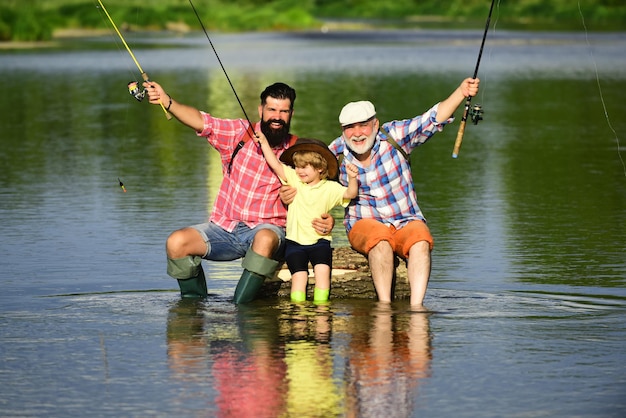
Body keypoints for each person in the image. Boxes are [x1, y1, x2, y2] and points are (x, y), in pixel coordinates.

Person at [142, 81, 335, 302]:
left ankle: (239, 308)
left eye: (283, 111)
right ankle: (194, 307)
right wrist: (167, 101)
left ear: (291, 113)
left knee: (264, 237)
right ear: (261, 110)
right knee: (176, 242)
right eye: (272, 110)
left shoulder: (298, 152)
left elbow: (322, 194)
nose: (277, 117)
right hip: (224, 228)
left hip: (268, 231)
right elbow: (201, 121)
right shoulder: (239, 133)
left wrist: (327, 220)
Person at [327, 77, 480, 308]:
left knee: (421, 240)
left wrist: (461, 91)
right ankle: (384, 307)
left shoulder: (393, 136)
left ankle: (417, 307)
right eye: (350, 128)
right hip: (363, 222)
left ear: (375, 124)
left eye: (363, 125)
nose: (357, 133)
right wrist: (323, 216)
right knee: (380, 240)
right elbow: (313, 187)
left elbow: (432, 119)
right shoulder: (334, 154)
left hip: (405, 219)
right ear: (342, 130)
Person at [253, 131, 358, 302]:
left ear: (320, 168)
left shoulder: (330, 188)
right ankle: (299, 317)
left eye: (304, 166)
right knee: (298, 278)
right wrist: (264, 142)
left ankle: (322, 313)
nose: (299, 171)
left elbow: (350, 193)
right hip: (294, 243)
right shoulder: (295, 180)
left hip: (320, 242)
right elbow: (275, 163)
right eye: (297, 166)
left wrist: (352, 178)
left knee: (323, 274)